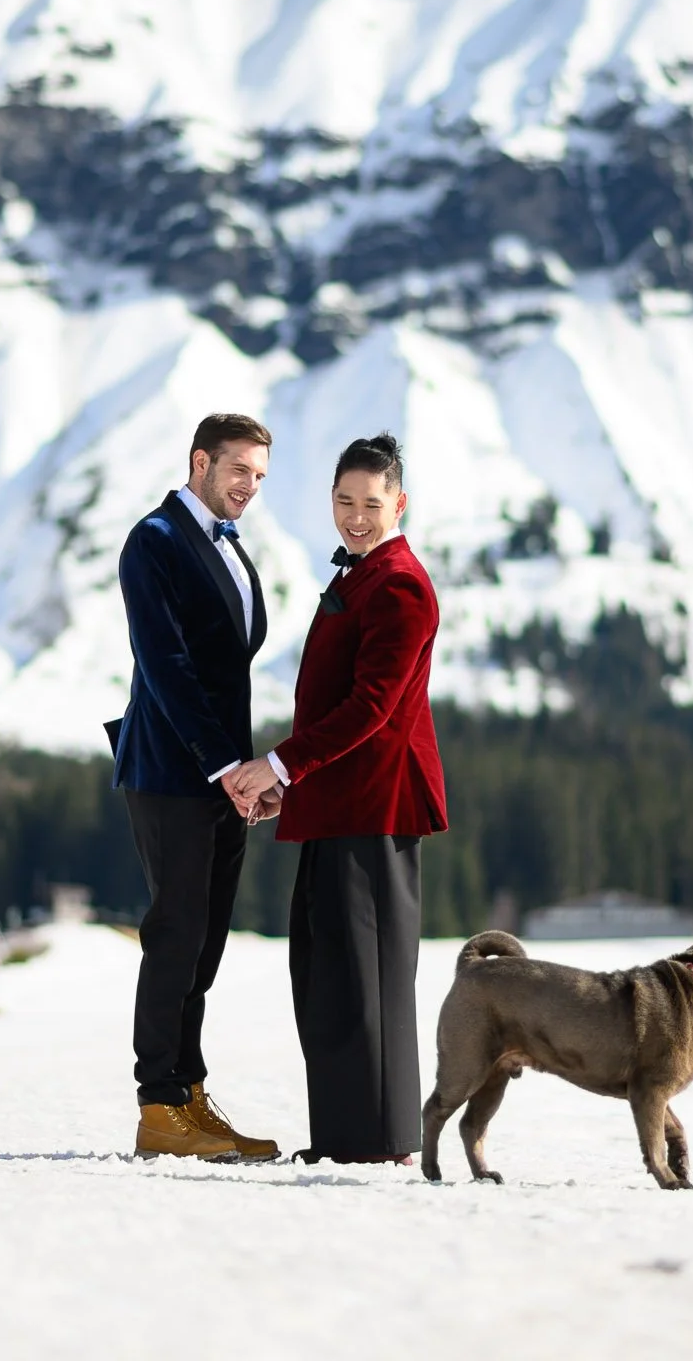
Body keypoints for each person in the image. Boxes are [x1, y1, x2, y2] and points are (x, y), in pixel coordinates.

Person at [232, 432, 447, 1164]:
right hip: (336, 800)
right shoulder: (357, 576)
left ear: (400, 505)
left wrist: (279, 768)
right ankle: (344, 1137)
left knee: (367, 980)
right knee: (326, 974)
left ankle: (379, 1141)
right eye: (344, 501)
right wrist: (288, 787)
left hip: (376, 806)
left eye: (371, 504)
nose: (356, 516)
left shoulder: (400, 585)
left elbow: (371, 708)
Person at [112, 412, 282, 1162]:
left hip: (220, 778)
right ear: (200, 461)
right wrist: (227, 768)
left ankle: (189, 1095)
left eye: (260, 477)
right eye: (238, 470)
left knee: (206, 944)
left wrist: (246, 776)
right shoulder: (152, 541)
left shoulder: (231, 547)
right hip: (170, 772)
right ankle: (157, 1107)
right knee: (175, 935)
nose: (249, 486)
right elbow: (166, 665)